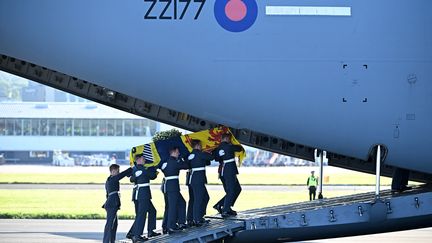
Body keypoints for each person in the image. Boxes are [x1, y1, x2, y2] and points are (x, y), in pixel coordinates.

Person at [130, 153, 160, 243]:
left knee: (152, 211)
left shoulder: (136, 168)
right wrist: (155, 168)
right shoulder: (142, 169)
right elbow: (152, 176)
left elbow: (132, 178)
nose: (145, 160)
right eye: (143, 158)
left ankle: (150, 231)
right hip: (142, 195)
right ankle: (137, 235)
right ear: (138, 159)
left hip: (141, 194)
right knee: (141, 215)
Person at [160, 146, 190, 234]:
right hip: (173, 187)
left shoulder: (166, 162)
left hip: (167, 186)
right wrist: (181, 159)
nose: (179, 153)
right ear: (174, 152)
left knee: (179, 203)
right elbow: (186, 166)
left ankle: (174, 224)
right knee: (172, 207)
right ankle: (171, 227)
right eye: (178, 152)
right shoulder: (174, 162)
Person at [213, 133, 243, 218]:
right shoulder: (229, 146)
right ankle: (225, 210)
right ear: (226, 139)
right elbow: (239, 148)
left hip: (223, 170)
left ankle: (221, 205)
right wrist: (232, 144)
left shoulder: (218, 148)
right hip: (229, 170)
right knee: (231, 191)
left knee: (236, 189)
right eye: (230, 139)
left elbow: (216, 158)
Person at [102, 164, 132, 243]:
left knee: (114, 225)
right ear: (112, 171)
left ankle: (112, 241)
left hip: (111, 203)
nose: (118, 173)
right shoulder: (113, 179)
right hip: (112, 204)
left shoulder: (108, 180)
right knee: (109, 225)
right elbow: (123, 174)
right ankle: (106, 241)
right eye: (117, 171)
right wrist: (132, 168)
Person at [187, 139, 212, 226]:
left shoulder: (191, 154)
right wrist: (209, 151)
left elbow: (206, 162)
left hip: (194, 179)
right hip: (198, 180)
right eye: (200, 145)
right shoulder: (199, 153)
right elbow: (211, 158)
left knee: (205, 197)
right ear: (197, 145)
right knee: (198, 199)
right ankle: (197, 219)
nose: (201, 146)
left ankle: (198, 217)